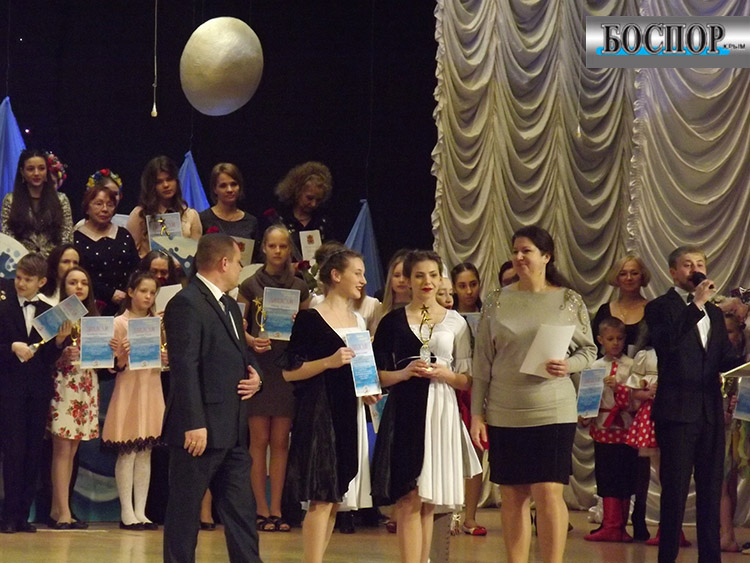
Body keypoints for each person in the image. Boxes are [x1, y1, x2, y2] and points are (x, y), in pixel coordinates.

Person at [471, 225, 596, 563]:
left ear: (546, 256)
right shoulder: (497, 301)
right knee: (513, 495)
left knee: (548, 491)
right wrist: (477, 414)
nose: (519, 257)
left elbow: (589, 351)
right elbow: (482, 363)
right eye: (515, 251)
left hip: (553, 409)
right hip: (504, 410)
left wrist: (568, 366)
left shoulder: (568, 300)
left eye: (526, 250)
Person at [372, 250, 481, 563]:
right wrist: (404, 373)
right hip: (405, 411)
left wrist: (446, 374)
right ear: (408, 280)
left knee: (428, 501)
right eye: (419, 275)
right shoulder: (392, 322)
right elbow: (375, 374)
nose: (427, 281)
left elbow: (468, 379)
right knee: (409, 497)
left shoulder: (457, 322)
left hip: (441, 410)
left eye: (433, 275)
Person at [162, 233, 262, 563]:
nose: (240, 269)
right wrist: (194, 423)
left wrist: (256, 376)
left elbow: (239, 352)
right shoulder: (186, 303)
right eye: (239, 263)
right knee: (185, 514)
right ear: (223, 263)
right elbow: (184, 366)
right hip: (200, 431)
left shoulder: (230, 305)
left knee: (242, 514)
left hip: (232, 430)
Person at [281, 249, 376, 563]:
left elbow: (359, 369)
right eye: (357, 273)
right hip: (320, 414)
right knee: (321, 497)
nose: (363, 280)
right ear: (336, 275)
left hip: (348, 412)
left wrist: (367, 390)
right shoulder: (310, 318)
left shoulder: (358, 320)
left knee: (334, 498)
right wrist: (328, 362)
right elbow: (290, 371)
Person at [646, 245, 738, 563]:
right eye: (687, 264)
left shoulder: (715, 313)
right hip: (676, 412)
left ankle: (710, 558)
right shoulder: (660, 307)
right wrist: (696, 304)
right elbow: (667, 343)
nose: (695, 269)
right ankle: (667, 557)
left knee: (711, 490)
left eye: (700, 263)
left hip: (710, 412)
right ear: (673, 272)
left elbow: (724, 358)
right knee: (674, 490)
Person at [238, 225, 311, 533]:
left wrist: (299, 324)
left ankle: (277, 509)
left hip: (286, 368)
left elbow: (308, 332)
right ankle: (260, 508)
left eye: (283, 246)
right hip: (259, 366)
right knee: (258, 441)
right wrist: (251, 340)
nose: (278, 251)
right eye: (272, 246)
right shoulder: (249, 284)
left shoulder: (300, 286)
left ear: (289, 249)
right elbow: (237, 325)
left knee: (281, 442)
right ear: (264, 248)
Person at [0, 253, 70, 533]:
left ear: (41, 282)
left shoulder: (48, 311)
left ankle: (22, 516)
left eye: (27, 280)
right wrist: (11, 348)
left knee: (32, 452)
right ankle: (8, 515)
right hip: (8, 389)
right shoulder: (3, 306)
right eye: (18, 277)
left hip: (37, 391)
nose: (20, 283)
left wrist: (60, 341)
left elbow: (47, 358)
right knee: (13, 452)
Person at [591, 255, 652, 539]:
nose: (628, 278)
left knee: (637, 466)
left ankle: (637, 520)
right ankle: (611, 523)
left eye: (634, 273)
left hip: (638, 393)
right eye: (624, 273)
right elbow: (593, 362)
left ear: (642, 276)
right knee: (607, 467)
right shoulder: (605, 311)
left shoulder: (651, 310)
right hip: (606, 407)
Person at [47, 266, 113, 529]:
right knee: (62, 449)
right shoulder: (56, 316)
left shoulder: (93, 317)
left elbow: (102, 362)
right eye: (73, 282)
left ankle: (59, 508)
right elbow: (42, 357)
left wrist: (110, 353)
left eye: (84, 283)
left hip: (86, 384)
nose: (79, 287)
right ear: (64, 287)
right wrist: (59, 345)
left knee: (73, 450)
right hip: (64, 384)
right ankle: (63, 511)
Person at [101, 272, 166, 530]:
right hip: (129, 388)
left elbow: (163, 358)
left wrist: (165, 358)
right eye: (143, 291)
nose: (148, 297)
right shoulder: (119, 323)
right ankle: (126, 511)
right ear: (130, 292)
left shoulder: (157, 323)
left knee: (145, 452)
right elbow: (111, 366)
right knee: (127, 451)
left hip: (151, 388)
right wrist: (122, 356)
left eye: (152, 292)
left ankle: (141, 510)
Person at [582, 317, 637, 543]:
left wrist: (620, 389)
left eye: (620, 338)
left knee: (624, 476)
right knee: (605, 475)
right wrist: (585, 414)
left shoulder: (631, 365)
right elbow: (588, 397)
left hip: (625, 428)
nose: (615, 343)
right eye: (610, 339)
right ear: (600, 340)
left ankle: (619, 526)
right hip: (603, 427)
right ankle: (610, 524)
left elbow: (636, 397)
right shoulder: (595, 367)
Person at [449, 262, 485, 537]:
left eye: (473, 284)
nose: (469, 291)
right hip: (452, 385)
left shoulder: (488, 315)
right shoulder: (446, 317)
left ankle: (470, 515)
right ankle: (450, 512)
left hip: (480, 387)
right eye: (462, 285)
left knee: (476, 449)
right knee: (449, 451)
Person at [74, 184, 140, 316]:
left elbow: (136, 267)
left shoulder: (123, 234)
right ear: (87, 208)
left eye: (110, 205)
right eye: (98, 204)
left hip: (127, 304)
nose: (105, 209)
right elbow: (79, 274)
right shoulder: (77, 239)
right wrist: (110, 293)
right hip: (91, 306)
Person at [1, 149, 73, 257]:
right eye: (30, 169)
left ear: (47, 171)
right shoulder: (10, 200)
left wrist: (58, 261)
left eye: (41, 168)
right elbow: (8, 238)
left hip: (54, 261)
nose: (36, 173)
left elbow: (66, 237)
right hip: (21, 261)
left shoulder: (61, 200)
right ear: (22, 172)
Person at [126, 156, 202, 258]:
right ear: (151, 186)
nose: (166, 185)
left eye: (169, 179)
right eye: (159, 182)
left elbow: (196, 254)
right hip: (149, 267)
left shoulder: (191, 215)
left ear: (176, 181)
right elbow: (131, 254)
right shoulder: (139, 214)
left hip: (181, 268)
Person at [717, 312, 747, 553]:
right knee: (722, 482)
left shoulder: (744, 361)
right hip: (722, 429)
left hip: (742, 429)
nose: (727, 337)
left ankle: (728, 533)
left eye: (730, 331)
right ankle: (725, 533)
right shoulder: (715, 360)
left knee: (731, 481)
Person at [272, 161, 334, 261]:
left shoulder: (323, 222)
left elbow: (332, 257)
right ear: (297, 191)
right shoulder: (280, 220)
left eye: (318, 200)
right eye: (309, 198)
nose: (313, 204)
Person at [199, 163, 258, 244]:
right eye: (223, 186)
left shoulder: (251, 221)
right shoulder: (203, 219)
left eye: (233, 184)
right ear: (214, 189)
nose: (229, 190)